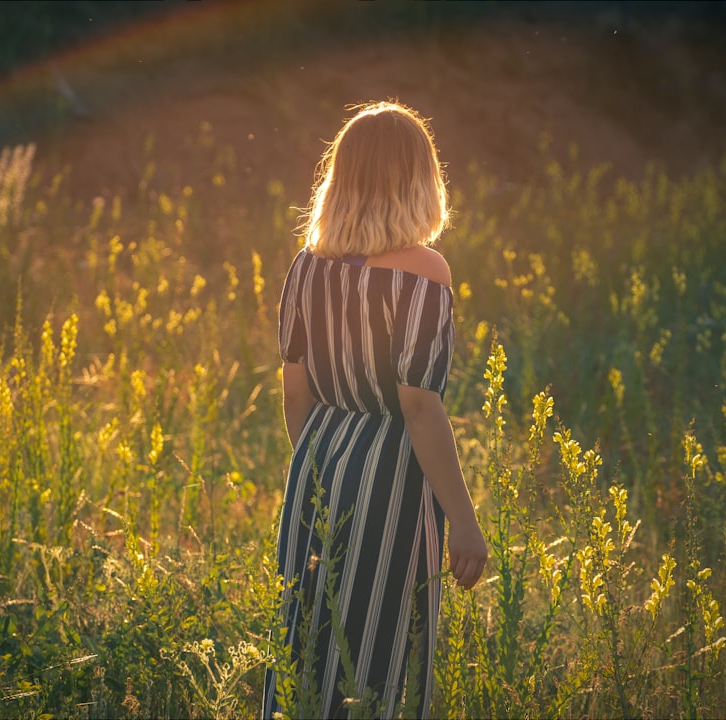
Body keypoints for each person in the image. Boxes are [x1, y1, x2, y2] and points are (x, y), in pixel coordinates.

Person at [262, 101, 489, 720]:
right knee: (383, 644)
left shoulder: (305, 267)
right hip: (390, 471)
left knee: (305, 636)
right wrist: (463, 520)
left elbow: (294, 392)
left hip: (315, 458)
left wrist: (317, 467)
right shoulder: (425, 273)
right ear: (417, 180)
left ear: (341, 179)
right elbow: (419, 407)